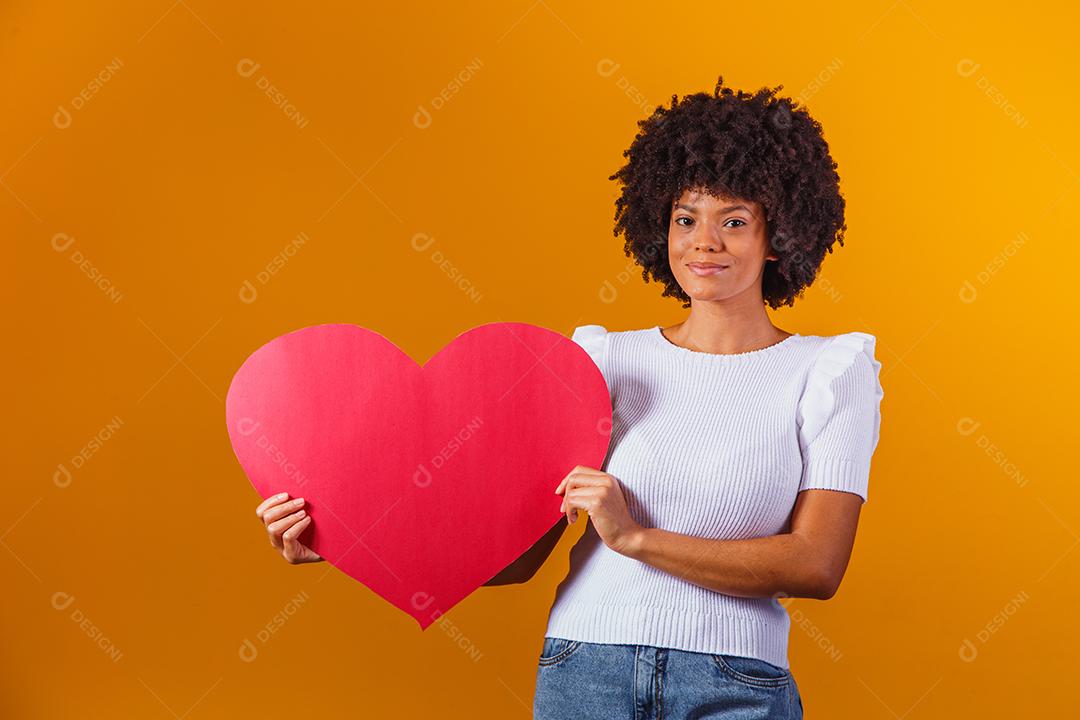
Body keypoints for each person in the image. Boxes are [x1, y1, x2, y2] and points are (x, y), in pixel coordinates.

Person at [255, 73, 884, 719]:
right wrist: (340, 541)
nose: (704, 242)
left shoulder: (829, 372)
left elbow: (815, 565)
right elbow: (516, 557)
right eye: (685, 219)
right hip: (586, 672)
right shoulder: (601, 362)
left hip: (737, 683)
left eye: (734, 221)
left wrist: (634, 538)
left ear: (779, 236)